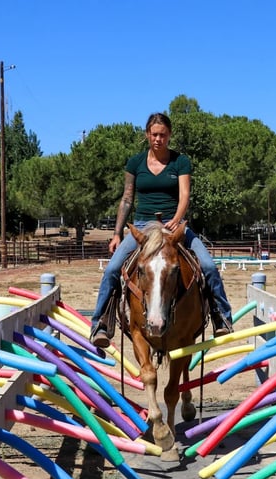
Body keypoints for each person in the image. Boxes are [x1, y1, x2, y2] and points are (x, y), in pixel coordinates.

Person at [89, 112, 233, 348]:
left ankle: (221, 316)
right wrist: (116, 233)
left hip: (173, 224)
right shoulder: (135, 163)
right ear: (147, 135)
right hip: (144, 227)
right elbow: (126, 199)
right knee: (113, 269)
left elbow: (184, 195)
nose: (158, 139)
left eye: (163, 135)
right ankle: (101, 323)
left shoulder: (180, 162)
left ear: (169, 135)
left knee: (207, 265)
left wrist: (177, 220)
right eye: (154, 134)